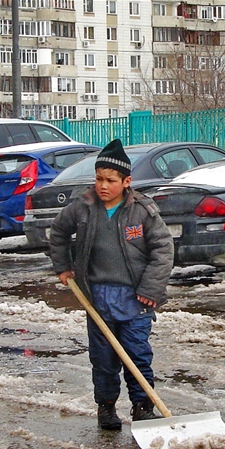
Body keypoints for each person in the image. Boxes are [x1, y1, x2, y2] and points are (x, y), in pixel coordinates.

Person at [49, 139, 174, 430]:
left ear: (126, 181)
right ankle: (106, 409)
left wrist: (151, 289)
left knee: (137, 354)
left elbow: (163, 249)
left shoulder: (142, 210)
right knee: (103, 359)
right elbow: (58, 232)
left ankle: (143, 407)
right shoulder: (84, 206)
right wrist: (63, 268)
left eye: (110, 180)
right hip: (97, 298)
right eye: (98, 179)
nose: (103, 186)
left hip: (136, 298)